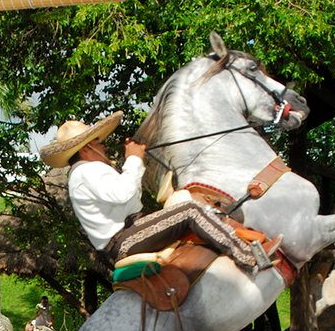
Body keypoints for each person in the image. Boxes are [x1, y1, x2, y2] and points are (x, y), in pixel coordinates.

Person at [43, 113, 265, 274]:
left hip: (131, 231)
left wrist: (135, 160)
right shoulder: (86, 172)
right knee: (190, 211)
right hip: (124, 240)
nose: (104, 147)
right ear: (85, 149)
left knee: (185, 201)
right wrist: (133, 158)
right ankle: (247, 257)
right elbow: (123, 193)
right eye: (98, 143)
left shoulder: (87, 171)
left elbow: (129, 198)